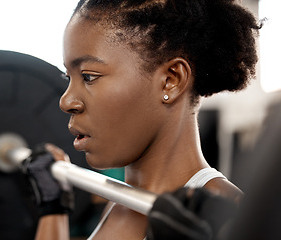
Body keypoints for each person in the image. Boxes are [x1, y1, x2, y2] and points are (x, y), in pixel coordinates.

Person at [40, 0, 260, 239]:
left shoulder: (228, 217)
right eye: (67, 77)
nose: (66, 101)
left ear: (171, 80)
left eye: (89, 76)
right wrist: (53, 208)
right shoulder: (121, 203)